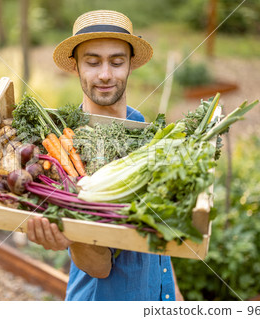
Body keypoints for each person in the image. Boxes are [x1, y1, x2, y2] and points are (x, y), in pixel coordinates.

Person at [27, 10, 184, 301]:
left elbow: (156, 226)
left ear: (129, 66)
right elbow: (99, 267)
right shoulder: (62, 147)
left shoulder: (143, 128)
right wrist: (72, 236)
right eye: (92, 61)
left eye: (116, 61)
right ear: (75, 67)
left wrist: (173, 293)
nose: (105, 74)